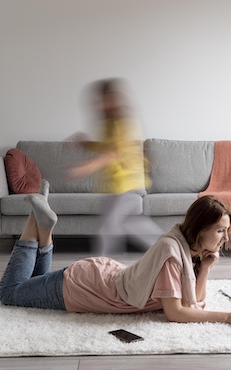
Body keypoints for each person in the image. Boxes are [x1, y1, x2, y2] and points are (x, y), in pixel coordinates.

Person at [0, 191, 231, 326]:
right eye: (220, 230)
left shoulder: (183, 246)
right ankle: (35, 221)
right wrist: (227, 316)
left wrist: (205, 268)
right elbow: (176, 312)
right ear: (200, 229)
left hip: (98, 275)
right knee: (10, 293)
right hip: (82, 287)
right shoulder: (173, 255)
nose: (225, 237)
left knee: (35, 281)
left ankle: (42, 225)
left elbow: (193, 300)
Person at [67, 78, 162, 256]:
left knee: (106, 229)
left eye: (104, 99)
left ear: (113, 99)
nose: (100, 104)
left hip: (126, 185)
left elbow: (115, 152)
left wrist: (87, 166)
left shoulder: (123, 122)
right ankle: (173, 253)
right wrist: (87, 144)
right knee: (136, 226)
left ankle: (104, 271)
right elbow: (108, 147)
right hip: (121, 185)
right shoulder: (109, 124)